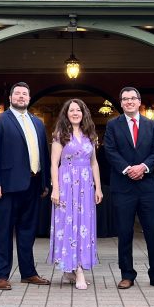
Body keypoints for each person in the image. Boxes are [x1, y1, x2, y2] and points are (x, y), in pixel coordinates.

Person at [103, 86, 154, 289]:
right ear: (121, 102)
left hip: (147, 186)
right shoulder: (112, 125)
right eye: (125, 99)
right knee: (124, 232)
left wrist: (143, 167)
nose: (129, 102)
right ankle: (127, 274)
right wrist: (127, 169)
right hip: (123, 186)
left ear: (139, 101)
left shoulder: (151, 125)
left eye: (132, 98)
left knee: (153, 231)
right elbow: (110, 151)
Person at [0, 82, 51, 290]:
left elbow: (44, 153)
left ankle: (28, 272)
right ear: (11, 98)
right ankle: (1, 275)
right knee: (3, 231)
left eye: (25, 94)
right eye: (17, 94)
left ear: (29, 98)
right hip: (6, 187)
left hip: (33, 184)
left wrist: (45, 181)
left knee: (28, 231)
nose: (21, 97)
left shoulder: (37, 123)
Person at [48, 99, 102, 289]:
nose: (75, 113)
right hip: (67, 184)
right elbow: (54, 163)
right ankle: (76, 270)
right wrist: (55, 188)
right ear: (66, 114)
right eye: (71, 110)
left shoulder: (90, 135)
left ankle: (73, 270)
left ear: (83, 113)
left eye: (78, 110)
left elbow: (94, 163)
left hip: (85, 186)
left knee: (83, 225)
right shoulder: (60, 135)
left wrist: (98, 187)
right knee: (69, 224)